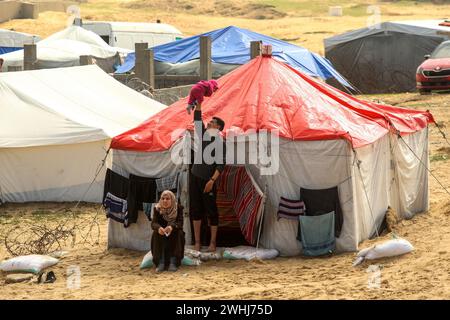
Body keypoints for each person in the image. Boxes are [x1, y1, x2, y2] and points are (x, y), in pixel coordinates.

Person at [189, 94, 225, 253]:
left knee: (211, 212)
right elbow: (197, 118)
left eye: (212, 122)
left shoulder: (220, 143)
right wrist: (199, 102)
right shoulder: (203, 136)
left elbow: (220, 164)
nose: (209, 122)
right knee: (195, 210)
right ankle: (197, 242)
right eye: (209, 121)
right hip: (195, 177)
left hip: (208, 180)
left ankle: (212, 243)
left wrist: (212, 181)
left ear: (218, 128)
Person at [151, 190, 185, 272]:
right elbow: (153, 223)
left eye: (167, 198)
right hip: (162, 234)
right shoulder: (157, 208)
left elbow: (180, 223)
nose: (165, 201)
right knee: (155, 233)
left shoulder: (178, 208)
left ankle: (173, 262)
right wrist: (159, 228)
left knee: (179, 232)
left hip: (174, 234)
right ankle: (160, 262)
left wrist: (171, 227)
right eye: (163, 198)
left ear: (172, 199)